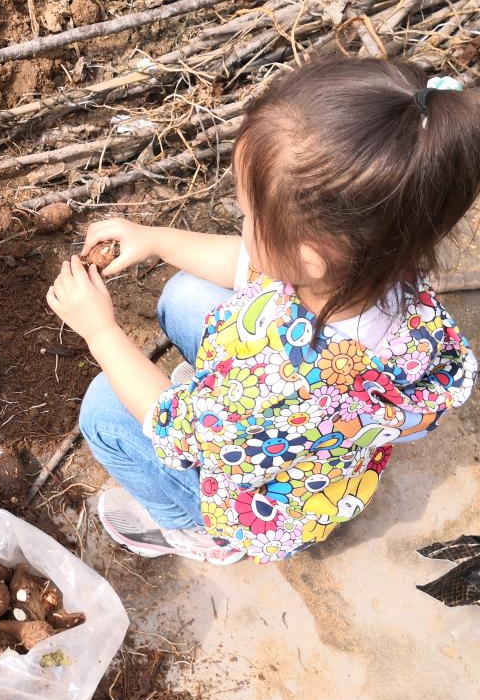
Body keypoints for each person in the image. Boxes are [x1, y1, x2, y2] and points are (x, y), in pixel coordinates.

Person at [47, 56, 477, 565]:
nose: (244, 226)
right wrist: (157, 240)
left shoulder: (284, 382)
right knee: (187, 292)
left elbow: (176, 427)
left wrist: (100, 331)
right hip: (313, 440)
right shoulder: (384, 268)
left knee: (104, 410)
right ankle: (217, 406)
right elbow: (248, 263)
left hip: (263, 495)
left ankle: (198, 529)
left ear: (307, 259)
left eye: (250, 216)